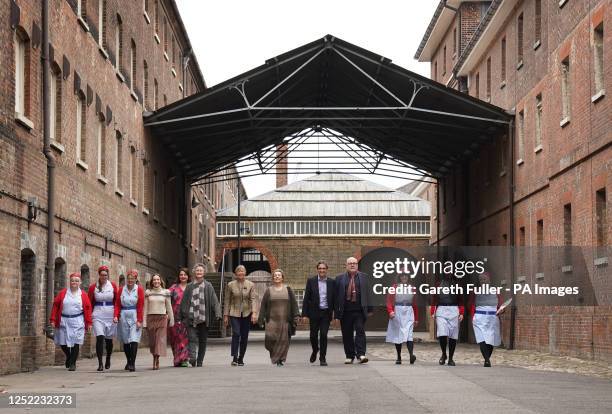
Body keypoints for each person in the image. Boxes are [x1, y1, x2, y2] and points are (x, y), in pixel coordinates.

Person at [178, 263, 221, 367]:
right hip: (191, 317)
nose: (199, 272)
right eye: (197, 270)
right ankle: (193, 359)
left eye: (201, 271)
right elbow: (184, 302)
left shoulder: (208, 286)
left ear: (204, 273)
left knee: (203, 340)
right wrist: (181, 317)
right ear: (194, 272)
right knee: (192, 338)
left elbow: (214, 300)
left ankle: (200, 360)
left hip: (204, 318)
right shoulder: (189, 286)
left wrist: (218, 312)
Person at [50, 273, 93, 371]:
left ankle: (73, 363)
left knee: (76, 341)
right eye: (73, 280)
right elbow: (55, 306)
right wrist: (53, 319)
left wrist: (89, 322)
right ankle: (69, 356)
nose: (74, 282)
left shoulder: (83, 295)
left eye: (77, 281)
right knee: (63, 342)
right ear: (70, 281)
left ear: (80, 282)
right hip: (64, 320)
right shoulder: (63, 293)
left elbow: (88, 308)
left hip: (77, 320)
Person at [335, 257, 373, 364]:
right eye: (350, 263)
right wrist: (336, 314)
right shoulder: (339, 278)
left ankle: (361, 354)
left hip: (359, 311)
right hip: (345, 311)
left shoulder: (364, 277)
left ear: (357, 265)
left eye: (354, 263)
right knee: (347, 334)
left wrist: (370, 308)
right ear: (346, 265)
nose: (352, 265)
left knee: (360, 331)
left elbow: (368, 293)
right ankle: (349, 355)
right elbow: (336, 297)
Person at [258, 269, 300, 366]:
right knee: (270, 339)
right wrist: (261, 319)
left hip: (285, 320)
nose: (277, 277)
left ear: (282, 278)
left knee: (284, 340)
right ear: (273, 278)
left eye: (279, 275)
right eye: (275, 275)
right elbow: (263, 305)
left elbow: (294, 304)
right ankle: (275, 355)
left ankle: (280, 359)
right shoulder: (269, 290)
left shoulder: (288, 289)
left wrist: (296, 316)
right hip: (271, 320)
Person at [301, 260, 336, 366]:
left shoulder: (331, 282)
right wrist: (305, 314)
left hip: (326, 313)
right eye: (320, 268)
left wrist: (335, 314)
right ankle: (315, 349)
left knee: (324, 335)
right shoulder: (311, 281)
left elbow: (334, 299)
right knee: (313, 336)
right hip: (314, 313)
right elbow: (306, 298)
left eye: (323, 268)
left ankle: (322, 358)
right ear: (317, 270)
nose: (322, 270)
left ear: (327, 270)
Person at [223, 265, 257, 366]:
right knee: (236, 333)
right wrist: (225, 315)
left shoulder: (251, 285)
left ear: (245, 273)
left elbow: (253, 299)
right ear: (235, 273)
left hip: (247, 313)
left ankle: (241, 357)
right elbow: (227, 300)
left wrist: (254, 313)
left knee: (244, 336)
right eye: (238, 271)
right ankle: (234, 357)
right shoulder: (230, 285)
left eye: (242, 271)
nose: (240, 273)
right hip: (234, 312)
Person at [469, 272, 504, 367]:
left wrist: (501, 310)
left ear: (489, 280)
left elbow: (500, 304)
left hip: (492, 317)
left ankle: (487, 357)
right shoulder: (476, 291)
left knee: (490, 339)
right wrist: (473, 316)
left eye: (484, 279)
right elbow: (472, 304)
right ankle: (487, 360)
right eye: (481, 280)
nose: (483, 281)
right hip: (479, 317)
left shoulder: (495, 291)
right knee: (482, 338)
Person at [87, 265, 119, 371]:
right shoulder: (93, 287)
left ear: (108, 275)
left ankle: (108, 357)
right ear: (99, 275)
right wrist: (88, 318)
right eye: (102, 275)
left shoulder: (113, 286)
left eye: (105, 275)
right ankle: (100, 363)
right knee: (100, 337)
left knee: (108, 340)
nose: (104, 277)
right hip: (98, 314)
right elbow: (89, 303)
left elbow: (117, 301)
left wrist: (116, 315)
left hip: (110, 314)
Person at [385, 271, 419, 365]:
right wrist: (390, 311)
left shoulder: (412, 288)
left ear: (408, 277)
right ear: (399, 277)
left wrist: (416, 318)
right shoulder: (394, 287)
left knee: (409, 334)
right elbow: (388, 301)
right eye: (402, 276)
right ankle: (399, 357)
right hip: (398, 311)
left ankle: (411, 355)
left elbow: (415, 304)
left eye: (406, 276)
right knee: (398, 334)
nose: (404, 277)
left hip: (409, 311)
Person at [430, 274, 464, 366]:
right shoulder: (438, 284)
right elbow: (434, 298)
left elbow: (461, 300)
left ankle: (451, 358)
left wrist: (461, 312)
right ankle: (444, 354)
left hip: (453, 310)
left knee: (453, 335)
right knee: (442, 333)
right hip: (441, 309)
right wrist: (433, 310)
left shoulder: (457, 285)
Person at [114, 269, 144, 372]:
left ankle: (132, 363)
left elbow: (140, 306)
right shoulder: (121, 289)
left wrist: (139, 320)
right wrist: (116, 316)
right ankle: (128, 360)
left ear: (136, 279)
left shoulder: (139, 289)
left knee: (134, 339)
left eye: (132, 279)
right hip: (123, 315)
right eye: (129, 278)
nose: (130, 280)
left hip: (134, 314)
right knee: (126, 340)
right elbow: (117, 304)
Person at [144, 274, 174, 370]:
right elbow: (145, 308)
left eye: (158, 280)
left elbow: (169, 307)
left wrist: (172, 320)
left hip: (162, 318)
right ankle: (154, 356)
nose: (156, 281)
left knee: (159, 340)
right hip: (151, 318)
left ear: (161, 281)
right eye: (154, 280)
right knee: (153, 341)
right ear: (152, 282)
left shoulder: (166, 292)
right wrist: (144, 322)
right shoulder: (148, 293)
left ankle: (156, 359)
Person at [168, 268, 190, 367]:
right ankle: (177, 359)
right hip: (175, 316)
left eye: (185, 275)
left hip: (187, 317)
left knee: (185, 339)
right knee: (175, 339)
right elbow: (165, 296)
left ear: (188, 276)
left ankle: (184, 359)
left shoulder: (191, 287)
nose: (183, 276)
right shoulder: (173, 287)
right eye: (181, 275)